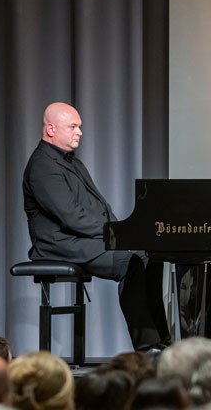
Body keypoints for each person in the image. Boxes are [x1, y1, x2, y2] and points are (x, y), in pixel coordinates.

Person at [23, 102, 170, 351]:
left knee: (150, 255)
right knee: (130, 261)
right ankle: (147, 347)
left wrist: (124, 231)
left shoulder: (73, 163)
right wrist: (117, 235)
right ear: (50, 129)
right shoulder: (42, 166)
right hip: (58, 244)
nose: (79, 132)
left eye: (79, 126)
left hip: (80, 239)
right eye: (72, 126)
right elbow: (71, 217)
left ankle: (164, 341)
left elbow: (100, 206)